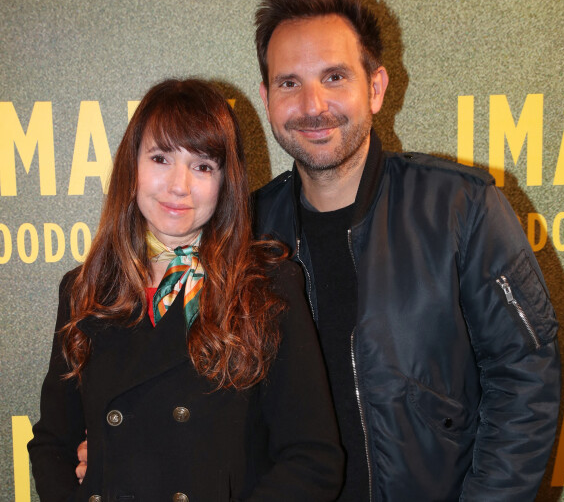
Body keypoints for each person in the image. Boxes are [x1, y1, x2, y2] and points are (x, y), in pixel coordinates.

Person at [252, 0, 561, 501]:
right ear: (266, 99)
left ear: (375, 88)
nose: (313, 104)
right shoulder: (246, 231)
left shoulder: (461, 207)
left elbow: (525, 380)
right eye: (289, 83)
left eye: (334, 77)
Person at [28, 78, 344, 502]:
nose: (180, 186)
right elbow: (52, 443)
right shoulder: (84, 289)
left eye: (202, 166)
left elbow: (313, 459)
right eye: (160, 158)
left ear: (225, 181)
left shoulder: (266, 287)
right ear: (132, 166)